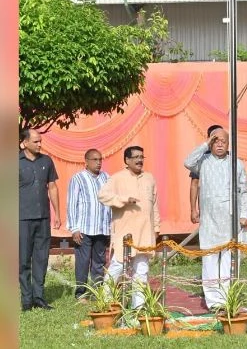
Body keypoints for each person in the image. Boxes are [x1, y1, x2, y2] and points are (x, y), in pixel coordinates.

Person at [183, 128, 247, 311]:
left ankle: (227, 298)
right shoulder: (203, 161)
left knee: (229, 259)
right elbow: (187, 162)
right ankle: (214, 302)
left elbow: (243, 190)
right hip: (210, 220)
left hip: (230, 220)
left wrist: (244, 214)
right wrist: (205, 144)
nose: (219, 144)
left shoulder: (237, 163)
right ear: (211, 143)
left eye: (223, 141)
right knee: (210, 259)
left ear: (229, 144)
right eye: (216, 140)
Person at [98, 146, 160, 309]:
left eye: (142, 157)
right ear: (127, 160)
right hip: (125, 232)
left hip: (145, 231)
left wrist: (156, 226)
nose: (140, 160)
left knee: (142, 269)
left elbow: (154, 204)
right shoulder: (117, 178)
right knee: (117, 266)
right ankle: (106, 302)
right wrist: (124, 199)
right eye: (136, 157)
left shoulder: (149, 178)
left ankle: (137, 307)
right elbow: (102, 196)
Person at [18, 128, 61, 311]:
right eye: (35, 141)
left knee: (41, 258)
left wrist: (57, 213)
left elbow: (52, 187)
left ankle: (39, 297)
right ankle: (26, 300)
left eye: (40, 141)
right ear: (24, 143)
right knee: (23, 260)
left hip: (43, 217)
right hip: (21, 219)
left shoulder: (47, 161)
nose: (39, 144)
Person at [67, 148, 111, 299]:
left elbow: (110, 202)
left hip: (102, 227)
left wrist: (111, 225)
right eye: (95, 160)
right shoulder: (78, 178)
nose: (98, 163)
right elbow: (72, 204)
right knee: (83, 262)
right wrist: (74, 228)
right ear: (86, 162)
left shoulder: (106, 178)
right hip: (84, 228)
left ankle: (97, 292)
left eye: (100, 159)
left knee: (99, 262)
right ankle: (81, 293)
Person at [190, 125, 224, 226]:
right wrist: (193, 210)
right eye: (214, 138)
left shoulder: (230, 158)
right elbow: (194, 184)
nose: (218, 143)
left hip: (225, 209)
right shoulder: (202, 159)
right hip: (207, 209)